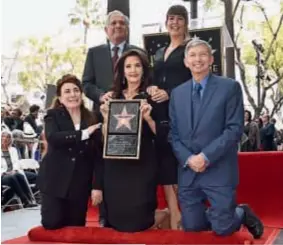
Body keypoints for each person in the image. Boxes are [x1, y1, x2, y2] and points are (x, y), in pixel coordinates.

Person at [169, 39, 263, 238]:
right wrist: (189, 158)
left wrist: (206, 156)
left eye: (203, 54)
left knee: (223, 228)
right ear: (186, 61)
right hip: (189, 172)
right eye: (192, 55)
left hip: (218, 168)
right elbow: (174, 135)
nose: (198, 59)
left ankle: (240, 213)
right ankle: (221, 213)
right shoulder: (177, 94)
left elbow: (234, 129)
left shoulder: (229, 88)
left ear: (211, 59)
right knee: (192, 228)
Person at [82, 10, 142, 225]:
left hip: (132, 119)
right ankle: (105, 215)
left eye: (121, 23)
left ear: (127, 28)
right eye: (113, 23)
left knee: (126, 164)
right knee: (104, 163)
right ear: (106, 29)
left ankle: (126, 211)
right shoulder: (94, 52)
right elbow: (86, 83)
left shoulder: (138, 52)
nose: (117, 26)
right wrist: (100, 96)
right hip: (102, 117)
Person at [99, 49, 169, 232]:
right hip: (115, 165)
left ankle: (165, 215)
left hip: (143, 163)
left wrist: (148, 119)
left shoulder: (153, 97)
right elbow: (106, 138)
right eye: (128, 66)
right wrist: (106, 118)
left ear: (144, 70)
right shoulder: (112, 98)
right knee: (116, 222)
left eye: (137, 65)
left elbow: (162, 135)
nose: (133, 70)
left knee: (139, 222)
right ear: (122, 71)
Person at [37, 74, 103, 230]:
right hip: (54, 181)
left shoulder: (93, 118)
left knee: (76, 227)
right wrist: (84, 134)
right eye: (67, 91)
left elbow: (98, 156)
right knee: (51, 223)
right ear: (60, 97)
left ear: (81, 94)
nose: (72, 94)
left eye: (75, 90)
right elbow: (53, 138)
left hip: (79, 184)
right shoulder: (52, 116)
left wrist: (97, 186)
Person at [147, 5, 192, 230]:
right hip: (159, 112)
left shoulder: (190, 48)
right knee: (165, 160)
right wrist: (153, 88)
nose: (174, 22)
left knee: (177, 160)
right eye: (170, 18)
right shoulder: (159, 51)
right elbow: (156, 78)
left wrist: (170, 92)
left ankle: (184, 213)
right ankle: (173, 213)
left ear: (185, 22)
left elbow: (195, 80)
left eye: (178, 19)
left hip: (181, 112)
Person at [1, 131, 37, 208]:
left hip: (13, 172)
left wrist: (14, 170)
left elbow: (16, 162)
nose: (5, 139)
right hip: (2, 175)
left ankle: (30, 199)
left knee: (19, 175)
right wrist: (5, 172)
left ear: (10, 139)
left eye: (8, 137)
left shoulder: (13, 149)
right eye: (3, 136)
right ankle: (25, 200)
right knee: (12, 177)